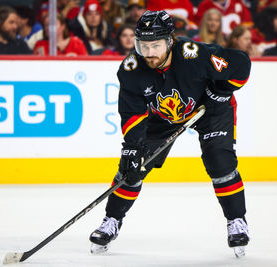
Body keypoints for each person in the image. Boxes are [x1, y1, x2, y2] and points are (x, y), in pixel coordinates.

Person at [89, 10, 251, 258]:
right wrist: (133, 149)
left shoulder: (194, 55)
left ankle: (237, 221)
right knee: (133, 167)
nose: (149, 53)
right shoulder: (131, 69)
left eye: (155, 45)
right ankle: (111, 220)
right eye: (144, 46)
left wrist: (222, 90)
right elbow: (132, 114)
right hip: (163, 118)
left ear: (169, 42)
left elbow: (241, 64)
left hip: (211, 111)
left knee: (220, 161)